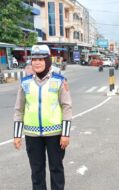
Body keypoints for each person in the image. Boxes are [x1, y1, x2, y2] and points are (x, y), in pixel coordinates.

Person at [13, 44, 72, 190]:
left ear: (47, 61)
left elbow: (66, 107)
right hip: (32, 135)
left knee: (56, 169)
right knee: (36, 172)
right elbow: (19, 109)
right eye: (34, 59)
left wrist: (65, 134)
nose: (37, 62)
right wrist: (17, 135)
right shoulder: (25, 83)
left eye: (41, 59)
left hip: (55, 134)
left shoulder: (59, 81)